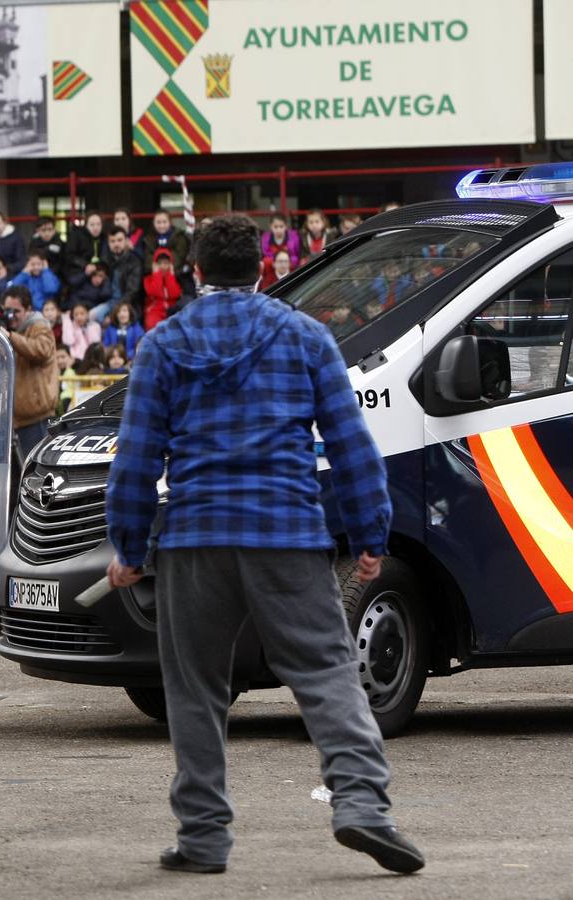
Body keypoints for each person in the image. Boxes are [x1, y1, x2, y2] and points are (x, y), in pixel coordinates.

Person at [104, 213, 423, 876]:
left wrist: (129, 548)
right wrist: (370, 534)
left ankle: (203, 836)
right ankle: (361, 804)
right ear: (262, 272)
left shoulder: (164, 344)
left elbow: (134, 459)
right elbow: (350, 445)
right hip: (287, 532)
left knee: (194, 688)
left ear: (195, 272)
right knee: (327, 672)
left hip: (194, 537)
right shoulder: (305, 336)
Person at [0, 286, 59, 457]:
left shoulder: (39, 326)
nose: (11, 315)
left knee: (35, 472)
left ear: (28, 310)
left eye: (16, 311)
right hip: (14, 420)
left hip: (36, 418)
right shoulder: (10, 329)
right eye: (7, 310)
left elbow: (42, 350)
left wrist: (11, 337)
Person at [143, 248, 184, 330]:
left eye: (166, 263)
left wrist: (170, 276)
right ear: (154, 265)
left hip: (172, 309)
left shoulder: (175, 278)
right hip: (155, 310)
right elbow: (155, 292)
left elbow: (174, 294)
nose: (162, 266)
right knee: (151, 324)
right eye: (159, 263)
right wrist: (157, 275)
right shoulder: (148, 279)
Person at [64, 211, 106, 289]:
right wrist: (85, 265)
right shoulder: (77, 236)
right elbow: (70, 256)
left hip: (98, 272)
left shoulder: (104, 238)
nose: (95, 227)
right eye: (92, 224)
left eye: (98, 224)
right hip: (78, 271)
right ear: (86, 225)